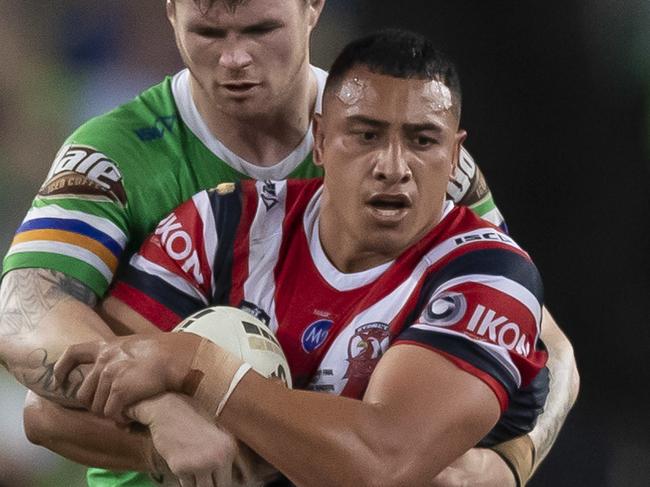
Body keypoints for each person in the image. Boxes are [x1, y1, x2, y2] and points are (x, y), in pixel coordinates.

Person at [0, 0, 578, 486]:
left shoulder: (410, 142)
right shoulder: (119, 158)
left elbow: (536, 338)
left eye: (260, 29)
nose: (234, 58)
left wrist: (508, 462)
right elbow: (24, 315)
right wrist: (162, 415)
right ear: (171, 13)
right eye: (208, 31)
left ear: (312, 8)